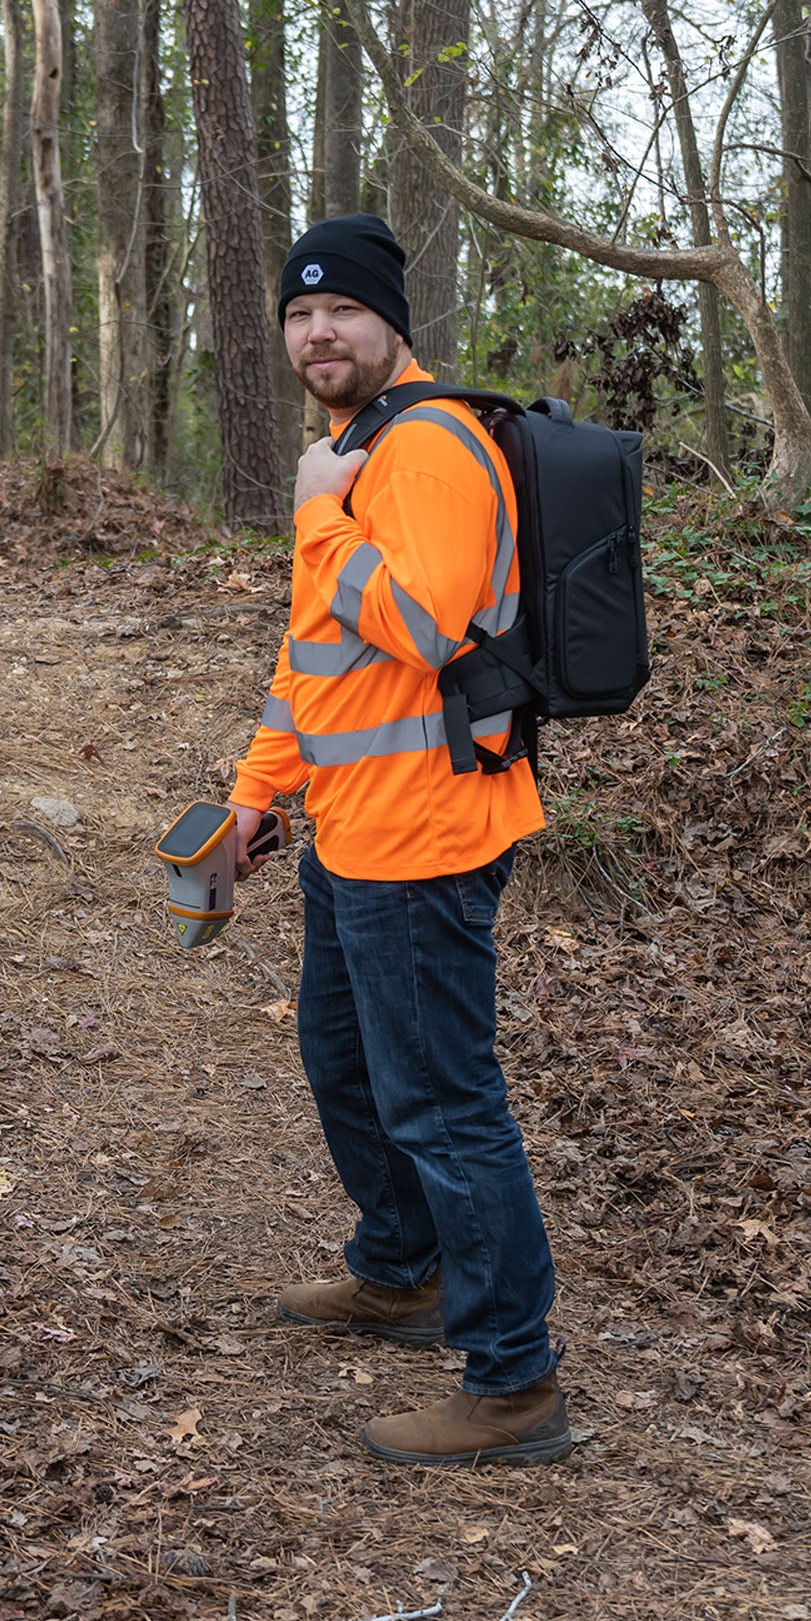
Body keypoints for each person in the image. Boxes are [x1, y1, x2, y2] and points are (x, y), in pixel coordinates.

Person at [227, 212, 569, 1468]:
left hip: (427, 827)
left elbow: (421, 623)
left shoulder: (421, 448)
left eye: (342, 312)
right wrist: (255, 795)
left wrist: (321, 517)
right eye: (298, 315)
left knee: (438, 1099)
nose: (319, 332)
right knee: (346, 1063)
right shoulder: (349, 448)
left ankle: (512, 1377)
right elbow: (310, 659)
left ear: (391, 324)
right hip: (351, 828)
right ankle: (403, 1267)